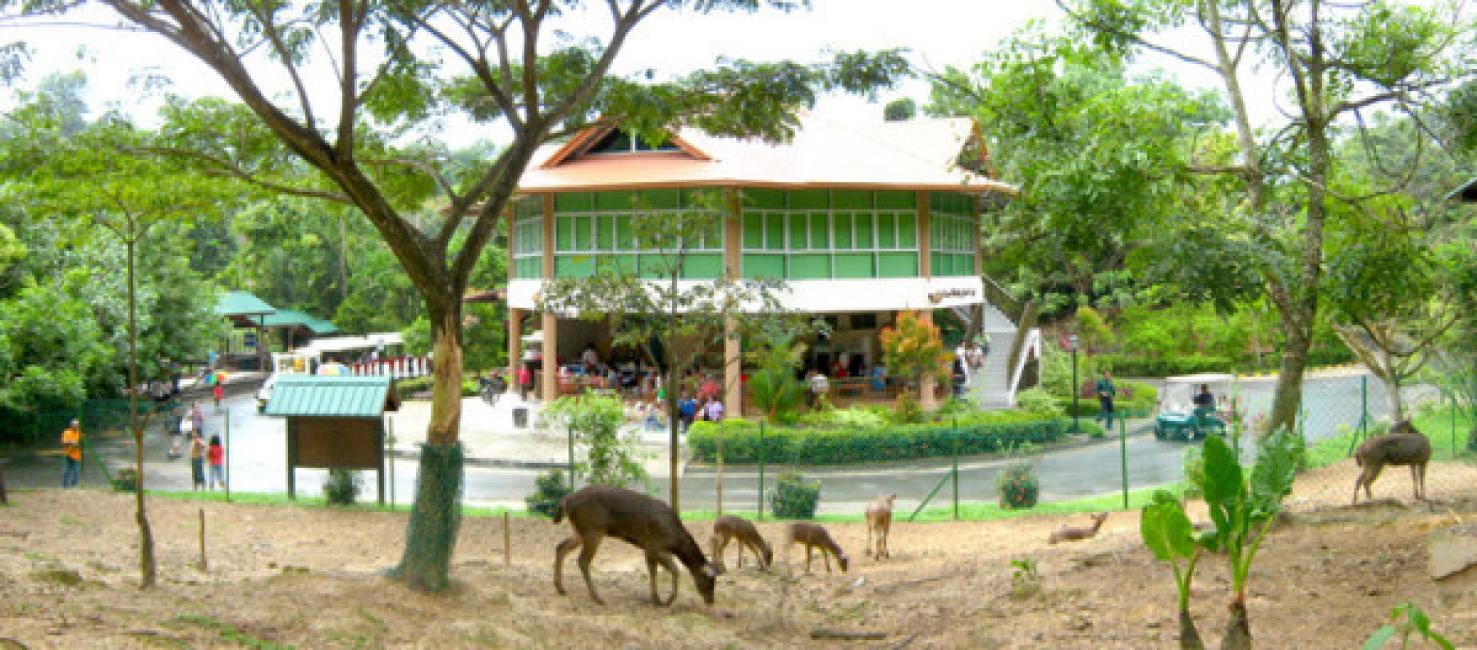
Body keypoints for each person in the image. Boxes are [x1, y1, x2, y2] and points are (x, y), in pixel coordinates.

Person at [60, 419, 82, 488]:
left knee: (76, 471)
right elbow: (63, 442)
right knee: (66, 471)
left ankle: (74, 485)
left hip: (77, 455)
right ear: (71, 425)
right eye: (74, 425)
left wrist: (78, 444)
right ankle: (64, 485)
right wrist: (71, 442)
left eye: (77, 425)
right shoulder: (66, 432)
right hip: (67, 454)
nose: (75, 426)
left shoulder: (80, 433)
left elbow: (81, 444)